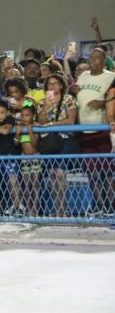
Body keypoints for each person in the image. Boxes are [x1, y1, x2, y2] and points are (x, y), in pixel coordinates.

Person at [76, 48, 115, 214]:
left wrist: (101, 103)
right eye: (90, 58)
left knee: (108, 172)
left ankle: (111, 206)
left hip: (103, 129)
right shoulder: (83, 76)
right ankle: (100, 205)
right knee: (92, 173)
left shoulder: (111, 76)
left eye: (96, 58)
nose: (92, 61)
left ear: (104, 60)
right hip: (84, 130)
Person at [37, 73, 79, 217]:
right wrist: (46, 107)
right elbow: (41, 122)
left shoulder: (69, 99)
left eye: (56, 83)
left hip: (65, 140)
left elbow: (71, 120)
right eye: (50, 83)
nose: (53, 86)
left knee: (60, 174)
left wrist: (52, 124)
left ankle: (62, 208)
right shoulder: (43, 102)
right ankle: (57, 207)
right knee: (53, 174)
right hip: (49, 142)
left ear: (61, 85)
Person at [14, 102, 40, 216]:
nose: (24, 118)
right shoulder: (20, 127)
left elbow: (34, 143)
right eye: (23, 115)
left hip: (35, 157)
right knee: (26, 184)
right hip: (24, 157)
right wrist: (18, 134)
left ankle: (35, 209)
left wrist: (30, 130)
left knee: (35, 184)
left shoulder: (36, 126)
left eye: (27, 115)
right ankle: (28, 209)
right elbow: (15, 143)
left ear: (33, 115)